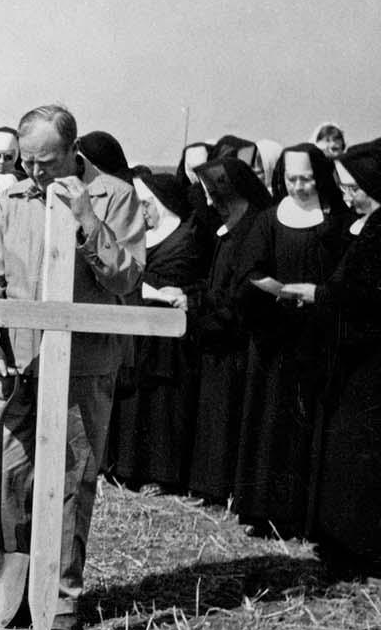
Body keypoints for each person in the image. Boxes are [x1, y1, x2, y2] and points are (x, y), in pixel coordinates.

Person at [0, 104, 144, 630]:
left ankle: (58, 601)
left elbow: (126, 277)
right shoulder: (11, 199)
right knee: (4, 477)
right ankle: (11, 596)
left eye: (47, 162)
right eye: (27, 162)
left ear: (73, 151)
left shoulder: (115, 195)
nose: (36, 173)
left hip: (83, 370)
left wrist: (89, 219)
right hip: (15, 366)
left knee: (69, 485)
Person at [231, 143, 350, 538]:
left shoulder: (337, 222)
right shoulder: (268, 220)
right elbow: (250, 269)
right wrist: (280, 291)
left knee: (308, 424)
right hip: (274, 338)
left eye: (307, 179)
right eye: (291, 179)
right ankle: (263, 511)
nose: (298, 187)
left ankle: (304, 515)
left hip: (317, 337)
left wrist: (317, 294)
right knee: (268, 422)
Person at [106, 173, 206, 492]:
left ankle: (161, 476)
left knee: (162, 406)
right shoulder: (141, 236)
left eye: (144, 203)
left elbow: (179, 279)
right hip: (140, 332)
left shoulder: (185, 238)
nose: (140, 211)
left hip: (168, 342)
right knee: (134, 404)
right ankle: (125, 469)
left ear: (160, 204)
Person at [307, 141, 381, 574]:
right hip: (355, 359)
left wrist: (319, 294)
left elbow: (365, 296)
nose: (348, 196)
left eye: (355, 188)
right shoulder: (367, 224)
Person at [185, 157, 272, 505]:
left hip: (237, 338)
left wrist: (204, 314)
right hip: (218, 332)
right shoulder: (232, 224)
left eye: (213, 193)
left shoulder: (253, 228)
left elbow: (243, 290)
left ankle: (222, 489)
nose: (208, 202)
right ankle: (211, 487)